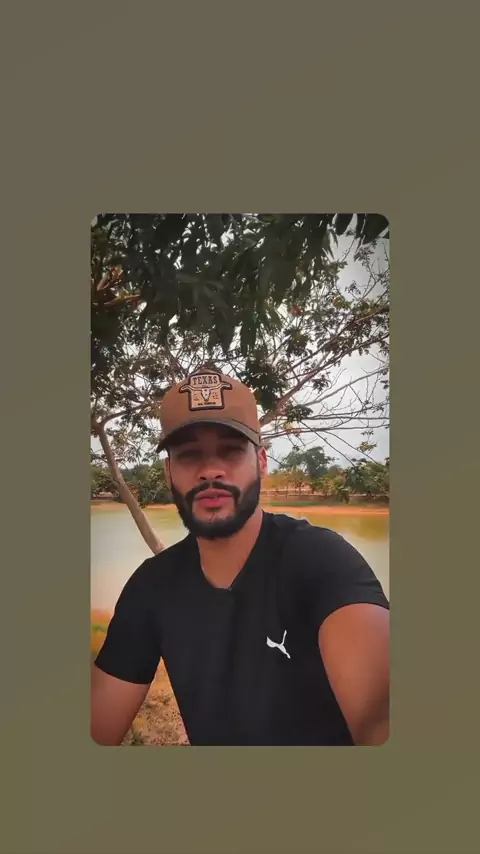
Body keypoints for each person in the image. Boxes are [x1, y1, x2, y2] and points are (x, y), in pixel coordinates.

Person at [91, 368, 389, 746]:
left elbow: (380, 712)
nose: (209, 471)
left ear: (261, 462)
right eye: (189, 455)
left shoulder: (321, 560)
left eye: (231, 451)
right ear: (168, 472)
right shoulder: (151, 588)